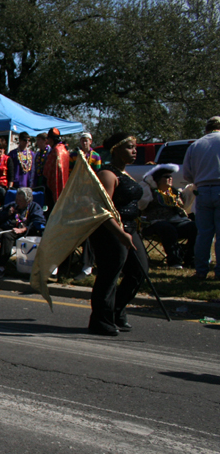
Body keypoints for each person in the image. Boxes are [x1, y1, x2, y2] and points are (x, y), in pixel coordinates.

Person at [88, 133, 148, 336]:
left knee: (139, 271)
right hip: (110, 230)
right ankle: (100, 320)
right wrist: (120, 234)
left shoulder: (125, 174)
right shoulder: (107, 174)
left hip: (130, 228)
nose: (134, 151)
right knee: (109, 274)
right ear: (116, 150)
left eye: (135, 147)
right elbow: (102, 211)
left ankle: (116, 311)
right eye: (130, 147)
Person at [0, 187, 45, 279]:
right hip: (4, 228)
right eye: (16, 199)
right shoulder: (12, 205)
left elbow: (40, 221)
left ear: (27, 201)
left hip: (21, 231)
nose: (17, 202)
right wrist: (7, 214)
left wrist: (24, 229)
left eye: (20, 200)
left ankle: (1, 268)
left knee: (7, 236)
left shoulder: (34, 207)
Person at [182, 116, 220, 280]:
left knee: (204, 234)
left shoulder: (196, 145)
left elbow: (187, 174)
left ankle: (201, 270)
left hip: (202, 190)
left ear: (206, 128)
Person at [139, 164, 197, 268]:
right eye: (166, 176)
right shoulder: (150, 192)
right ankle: (174, 261)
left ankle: (189, 258)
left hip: (176, 222)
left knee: (195, 227)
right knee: (167, 228)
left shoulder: (174, 192)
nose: (170, 178)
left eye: (171, 176)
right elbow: (141, 205)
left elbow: (186, 202)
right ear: (157, 180)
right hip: (154, 224)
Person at [69, 133, 102, 280]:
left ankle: (87, 266)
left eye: (87, 140)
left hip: (90, 192)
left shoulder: (96, 156)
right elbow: (70, 172)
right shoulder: (74, 155)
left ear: (91, 141)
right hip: (77, 191)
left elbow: (98, 174)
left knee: (88, 231)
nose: (84, 142)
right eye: (82, 140)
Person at [42, 128, 70, 210]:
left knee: (52, 207)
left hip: (53, 184)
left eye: (49, 139)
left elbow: (48, 170)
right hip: (64, 183)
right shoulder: (64, 149)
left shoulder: (56, 150)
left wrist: (45, 178)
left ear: (51, 139)